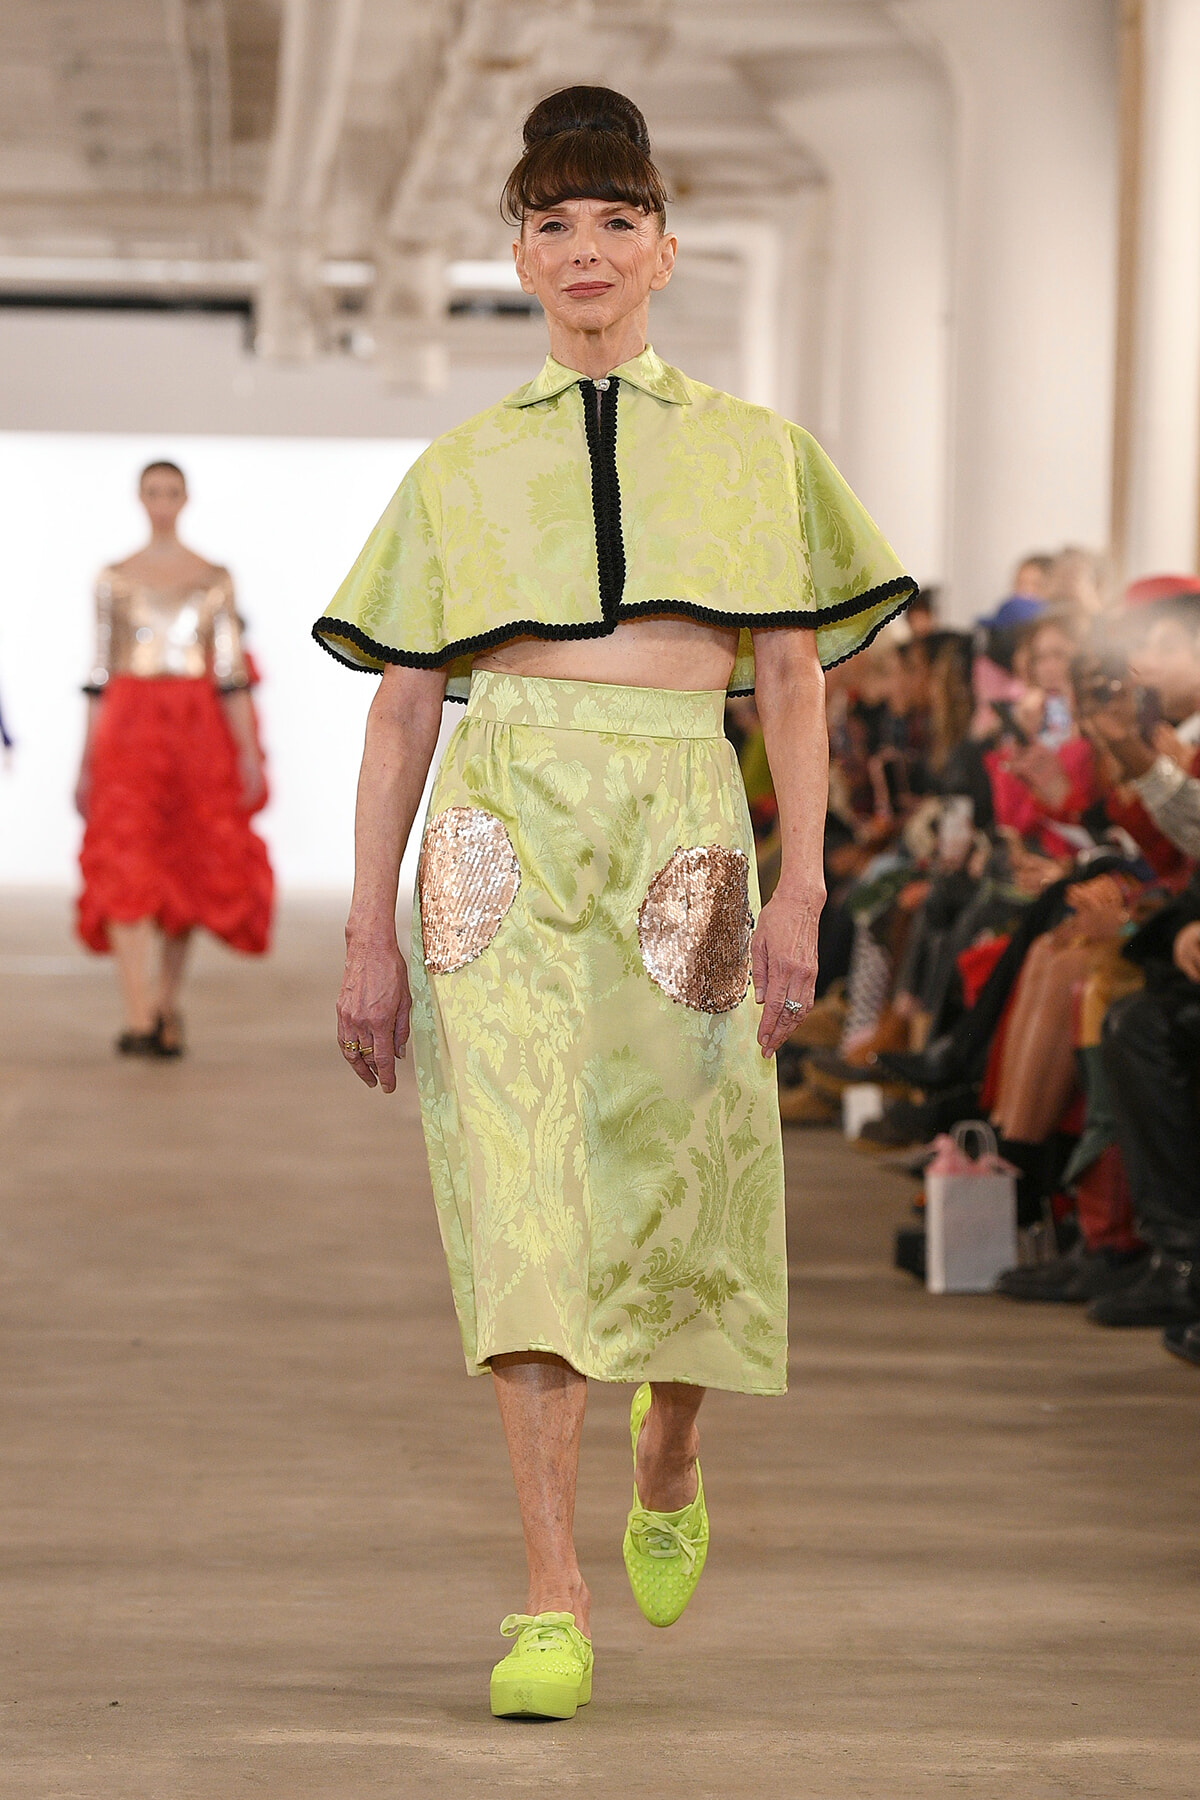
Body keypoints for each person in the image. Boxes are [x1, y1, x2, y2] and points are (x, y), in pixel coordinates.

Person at [314, 87, 914, 1720]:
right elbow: (399, 709)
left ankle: (673, 1446)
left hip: (681, 823)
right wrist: (367, 931)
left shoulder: (755, 451)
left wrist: (804, 886)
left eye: (616, 220)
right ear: (518, 256)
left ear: (666, 248)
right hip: (495, 832)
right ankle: (548, 1594)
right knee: (517, 1199)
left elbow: (791, 679)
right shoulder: (462, 468)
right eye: (553, 224)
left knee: (683, 1175)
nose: (585, 249)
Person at [75, 461, 272, 1055]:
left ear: (185, 498)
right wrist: (86, 758)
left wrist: (247, 753)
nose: (161, 501)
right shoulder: (113, 578)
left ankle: (163, 1003)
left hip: (195, 730)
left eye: (171, 492)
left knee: (187, 863)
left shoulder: (214, 578)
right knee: (124, 859)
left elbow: (230, 673)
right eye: (153, 491)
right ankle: (138, 1013)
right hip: (130, 728)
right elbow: (100, 671)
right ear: (140, 498)